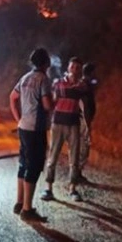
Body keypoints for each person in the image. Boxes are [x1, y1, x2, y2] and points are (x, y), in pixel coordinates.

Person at [9, 48, 54, 222]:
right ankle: (27, 209)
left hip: (23, 127)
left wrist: (18, 118)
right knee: (34, 167)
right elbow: (47, 105)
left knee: (23, 163)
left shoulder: (25, 78)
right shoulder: (43, 79)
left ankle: (19, 203)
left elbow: (12, 97)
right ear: (46, 63)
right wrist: (56, 100)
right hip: (35, 129)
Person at [41, 56, 88, 202]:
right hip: (58, 123)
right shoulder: (58, 83)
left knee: (74, 158)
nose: (75, 70)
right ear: (68, 68)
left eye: (78, 68)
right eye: (72, 67)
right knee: (53, 156)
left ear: (81, 71)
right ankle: (48, 188)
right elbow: (52, 100)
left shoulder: (82, 87)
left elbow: (84, 106)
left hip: (73, 124)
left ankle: (73, 189)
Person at [77, 63, 98, 183]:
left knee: (82, 145)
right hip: (83, 120)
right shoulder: (84, 85)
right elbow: (84, 104)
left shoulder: (86, 84)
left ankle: (77, 173)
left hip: (84, 119)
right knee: (83, 146)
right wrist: (86, 120)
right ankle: (76, 174)